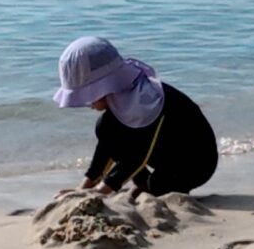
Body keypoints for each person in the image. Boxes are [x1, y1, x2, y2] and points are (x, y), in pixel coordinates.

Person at [54, 35, 217, 196]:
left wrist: (104, 190)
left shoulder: (145, 102)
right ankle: (145, 183)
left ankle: (151, 186)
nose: (87, 104)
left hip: (196, 163)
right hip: (164, 154)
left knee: (155, 185)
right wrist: (86, 186)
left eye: (87, 96)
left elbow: (136, 154)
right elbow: (107, 146)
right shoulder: (122, 97)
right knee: (105, 128)